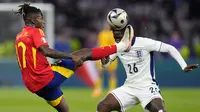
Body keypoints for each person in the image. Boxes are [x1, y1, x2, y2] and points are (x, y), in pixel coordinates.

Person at [14, 3, 133, 112]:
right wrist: (71, 56)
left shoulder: (19, 36)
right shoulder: (35, 31)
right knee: (81, 54)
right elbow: (46, 51)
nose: (43, 22)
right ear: (33, 20)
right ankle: (121, 46)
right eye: (41, 18)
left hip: (33, 85)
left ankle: (103, 55)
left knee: (64, 109)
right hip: (45, 79)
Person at [97, 8, 199, 112]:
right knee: (102, 106)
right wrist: (103, 61)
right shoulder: (118, 47)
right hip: (129, 87)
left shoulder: (145, 43)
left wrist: (183, 65)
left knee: (161, 111)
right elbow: (105, 64)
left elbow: (169, 48)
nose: (116, 35)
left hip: (147, 88)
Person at [92, 23, 118, 98]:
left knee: (112, 73)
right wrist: (96, 53)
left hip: (111, 55)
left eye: (109, 25)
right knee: (99, 72)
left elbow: (116, 44)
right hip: (102, 54)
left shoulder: (113, 34)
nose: (107, 26)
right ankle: (98, 89)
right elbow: (99, 43)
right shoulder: (101, 33)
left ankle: (112, 89)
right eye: (106, 25)